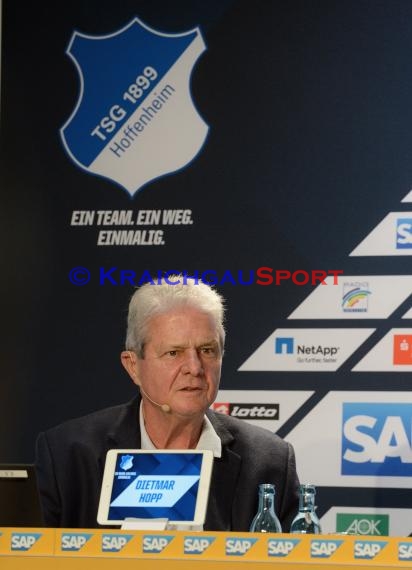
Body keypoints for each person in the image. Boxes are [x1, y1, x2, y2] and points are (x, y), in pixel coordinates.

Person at [35, 275, 300, 530]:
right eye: (174, 353)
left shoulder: (269, 462)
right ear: (133, 366)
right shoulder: (68, 454)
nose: (195, 368)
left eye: (207, 350)